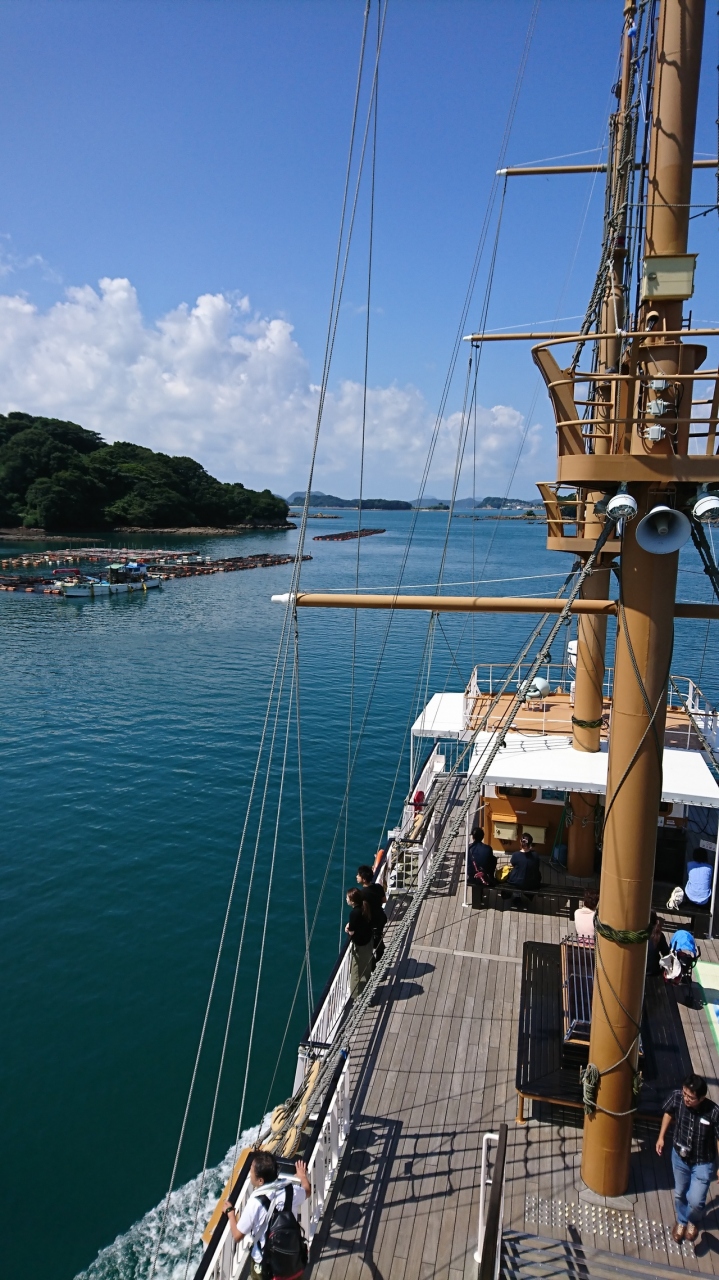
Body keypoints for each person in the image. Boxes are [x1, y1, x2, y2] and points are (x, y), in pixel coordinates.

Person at [223, 1152, 310, 1279]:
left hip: (265, 1263)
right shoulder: (291, 1190)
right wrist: (302, 1176)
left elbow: (237, 1235)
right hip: (292, 1258)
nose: (249, 1172)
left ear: (260, 1181)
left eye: (251, 1170)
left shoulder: (255, 1203)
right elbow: (307, 1191)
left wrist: (230, 1213)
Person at [656, 1073, 719, 1242]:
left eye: (690, 1097)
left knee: (696, 1200)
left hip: (703, 1162)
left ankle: (693, 1221)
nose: (686, 1099)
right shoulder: (677, 1097)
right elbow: (668, 1113)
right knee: (680, 1193)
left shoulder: (713, 1112)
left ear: (701, 1098)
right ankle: (682, 1221)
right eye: (684, 1093)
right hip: (679, 1157)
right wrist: (661, 1137)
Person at [345, 887, 374, 997]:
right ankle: (367, 990)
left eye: (347, 898)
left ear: (352, 901)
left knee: (356, 972)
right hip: (368, 941)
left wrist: (347, 929)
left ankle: (356, 997)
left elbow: (351, 931)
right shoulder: (365, 906)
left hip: (360, 945)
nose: (346, 899)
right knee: (366, 967)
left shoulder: (354, 913)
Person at [357, 864, 387, 964]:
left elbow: (360, 911)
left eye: (358, 875)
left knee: (370, 942)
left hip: (372, 921)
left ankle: (375, 962)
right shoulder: (378, 887)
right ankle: (379, 955)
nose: (356, 876)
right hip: (381, 917)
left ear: (364, 879)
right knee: (378, 936)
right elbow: (384, 900)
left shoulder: (361, 894)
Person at [646, 911, 670, 977]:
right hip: (654, 972)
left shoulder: (637, 934)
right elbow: (666, 954)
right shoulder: (658, 935)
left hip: (636, 972)